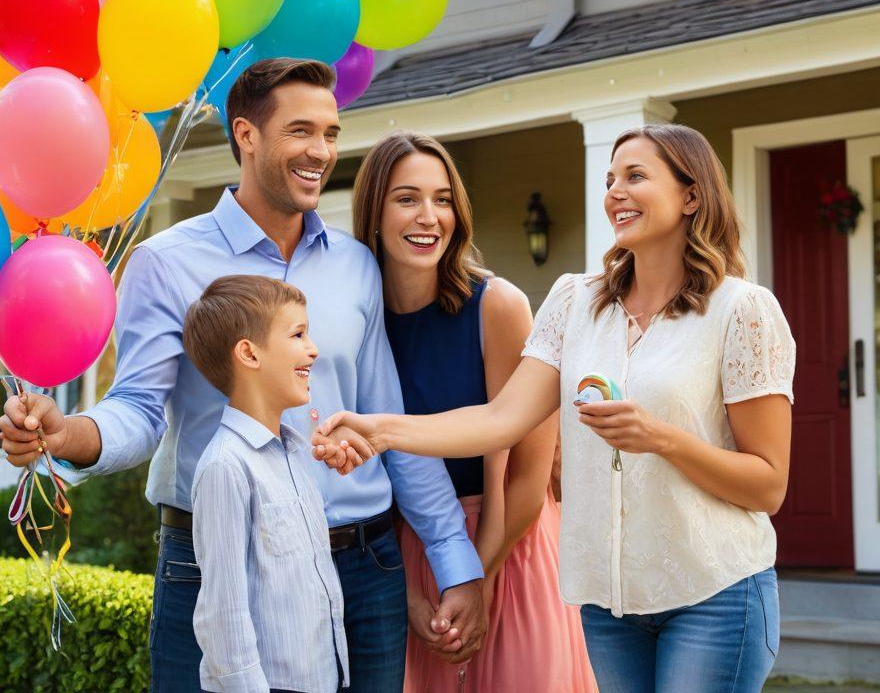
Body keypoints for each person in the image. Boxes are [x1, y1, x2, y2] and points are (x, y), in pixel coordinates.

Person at [0, 58, 486, 692]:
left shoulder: (357, 265)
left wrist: (455, 562)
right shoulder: (164, 263)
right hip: (214, 564)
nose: (321, 151)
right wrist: (66, 435)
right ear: (246, 135)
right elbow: (139, 409)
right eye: (300, 131)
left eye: (331, 133)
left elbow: (391, 425)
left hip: (362, 572)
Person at [315, 123, 795, 693]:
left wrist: (661, 438)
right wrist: (379, 430)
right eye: (610, 179)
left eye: (635, 176)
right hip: (610, 606)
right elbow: (500, 419)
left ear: (691, 196)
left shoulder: (742, 310)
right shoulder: (575, 303)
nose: (615, 192)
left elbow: (768, 486)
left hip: (714, 593)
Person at [352, 131, 596, 692]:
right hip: (405, 557)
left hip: (509, 542)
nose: (429, 216)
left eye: (442, 200)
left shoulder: (498, 307)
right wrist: (409, 595)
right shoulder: (355, 320)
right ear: (374, 213)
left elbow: (530, 477)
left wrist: (473, 578)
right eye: (407, 198)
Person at [184, 275, 348, 693]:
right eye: (298, 334)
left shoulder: (296, 453)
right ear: (249, 353)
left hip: (319, 680)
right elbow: (223, 614)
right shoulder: (226, 467)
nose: (313, 349)